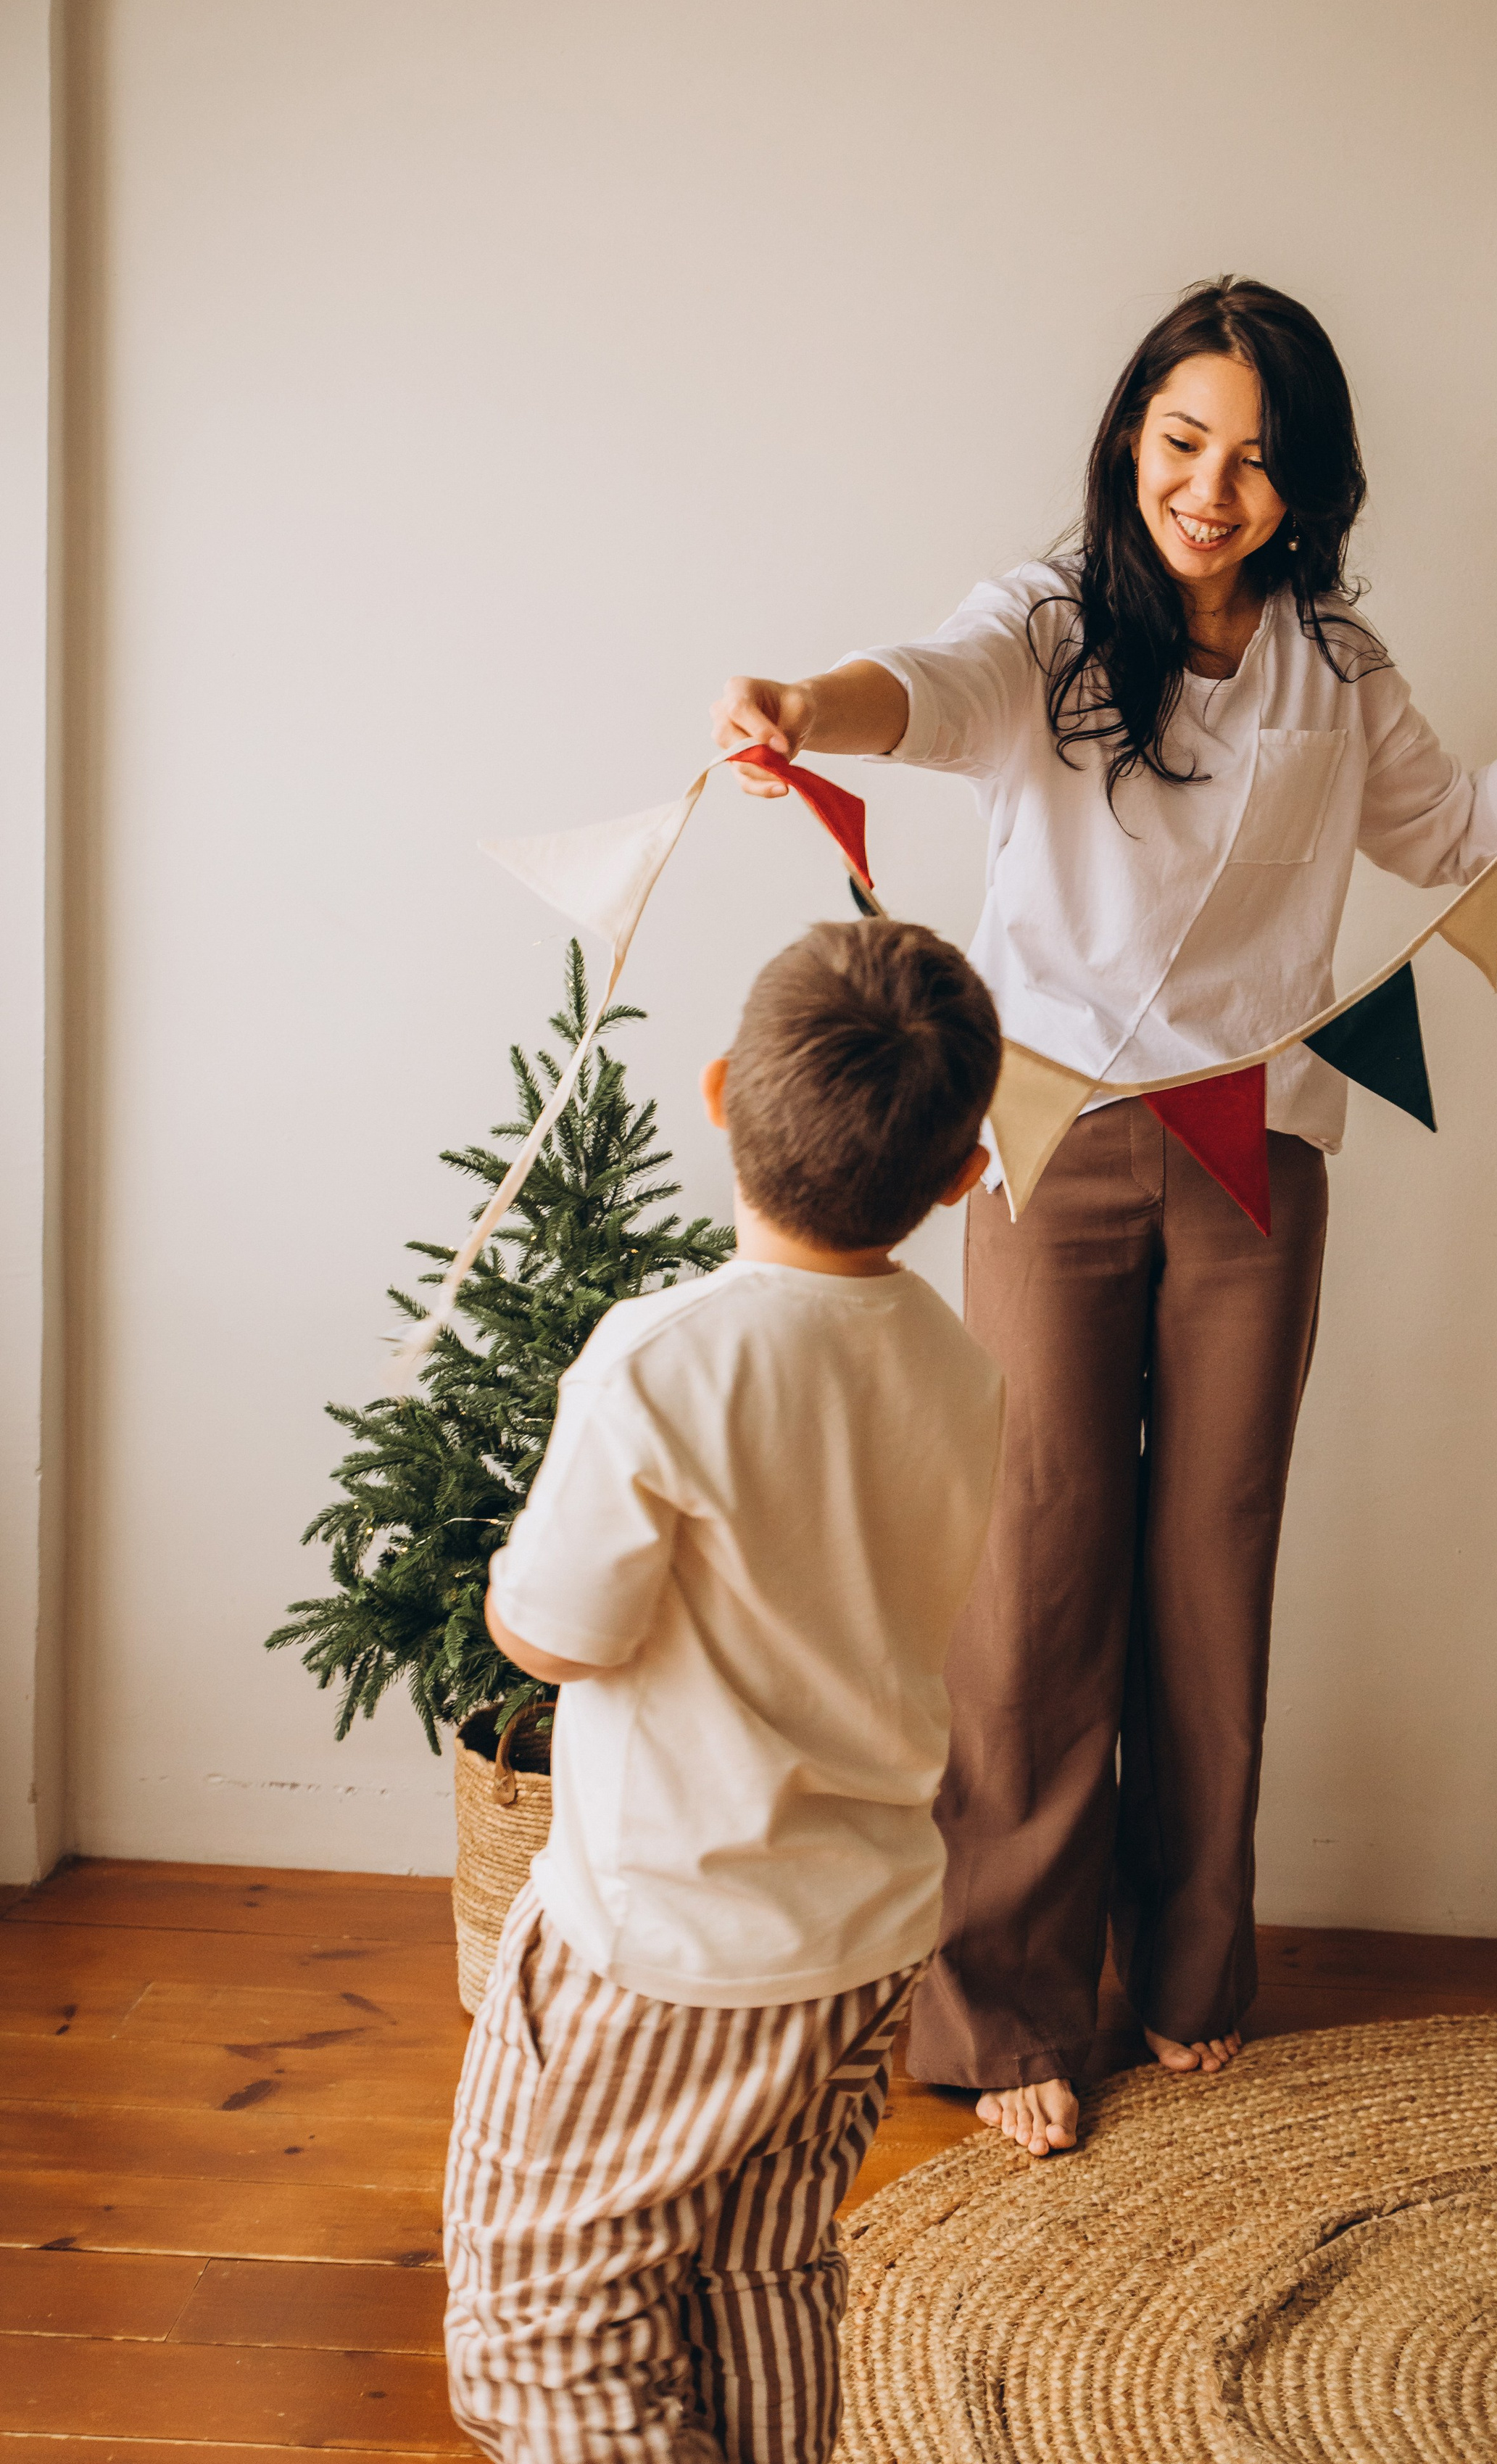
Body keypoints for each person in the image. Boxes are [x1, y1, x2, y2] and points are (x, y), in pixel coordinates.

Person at [713, 276, 1497, 2161]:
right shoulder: (1042, 628)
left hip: (1266, 1148)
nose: (1210, 485)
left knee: (1211, 1555)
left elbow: (1453, 830)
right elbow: (911, 697)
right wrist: (803, 704)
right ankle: (1010, 2000)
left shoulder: (1339, 670)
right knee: (1039, 1557)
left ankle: (1187, 1970)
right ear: (1129, 441)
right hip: (1055, 1140)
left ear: (1307, 484)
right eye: (1182, 442)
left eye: (1255, 461)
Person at [443, 920, 1006, 2464]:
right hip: (865, 1932)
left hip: (665, 1941)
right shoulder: (961, 1369)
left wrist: (510, 1584)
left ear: (715, 1093)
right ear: (962, 1176)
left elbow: (556, 1633)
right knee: (756, 2271)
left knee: (538, 2321)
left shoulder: (662, 1356)